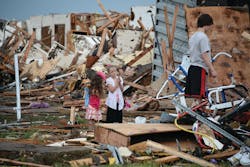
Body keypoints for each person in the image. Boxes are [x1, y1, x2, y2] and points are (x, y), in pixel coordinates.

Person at [185, 14, 217, 105]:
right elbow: (204, 55)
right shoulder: (203, 37)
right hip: (200, 68)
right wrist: (212, 69)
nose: (211, 28)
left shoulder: (193, 37)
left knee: (196, 97)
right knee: (200, 96)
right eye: (211, 26)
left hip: (192, 67)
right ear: (207, 24)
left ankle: (196, 113)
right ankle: (197, 115)